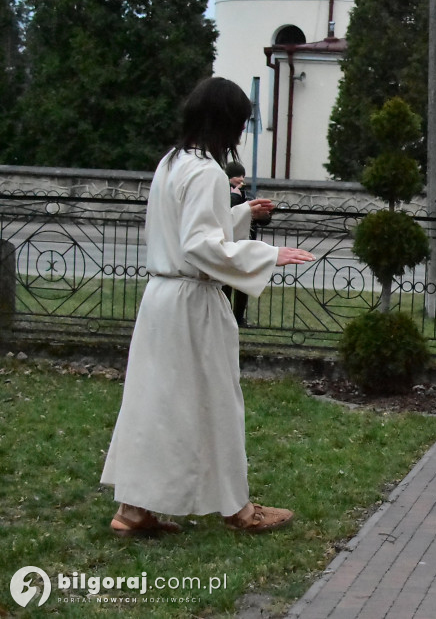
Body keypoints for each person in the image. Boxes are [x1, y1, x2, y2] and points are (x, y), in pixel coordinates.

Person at [100, 77, 315, 535]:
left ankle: (133, 511)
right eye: (239, 123)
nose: (241, 133)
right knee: (217, 400)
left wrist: (239, 215)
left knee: (156, 403)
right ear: (226, 122)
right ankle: (237, 509)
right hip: (191, 304)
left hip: (162, 300)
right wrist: (268, 253)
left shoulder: (172, 162)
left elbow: (184, 230)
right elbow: (200, 246)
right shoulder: (207, 173)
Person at [223, 162, 271, 327]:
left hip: (246, 243)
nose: (241, 179)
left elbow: (264, 219)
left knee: (243, 284)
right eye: (237, 176)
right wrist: (235, 196)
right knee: (226, 285)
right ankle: (226, 316)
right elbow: (228, 212)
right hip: (229, 244)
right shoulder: (224, 193)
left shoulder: (247, 194)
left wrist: (264, 214)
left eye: (243, 175)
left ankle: (238, 317)